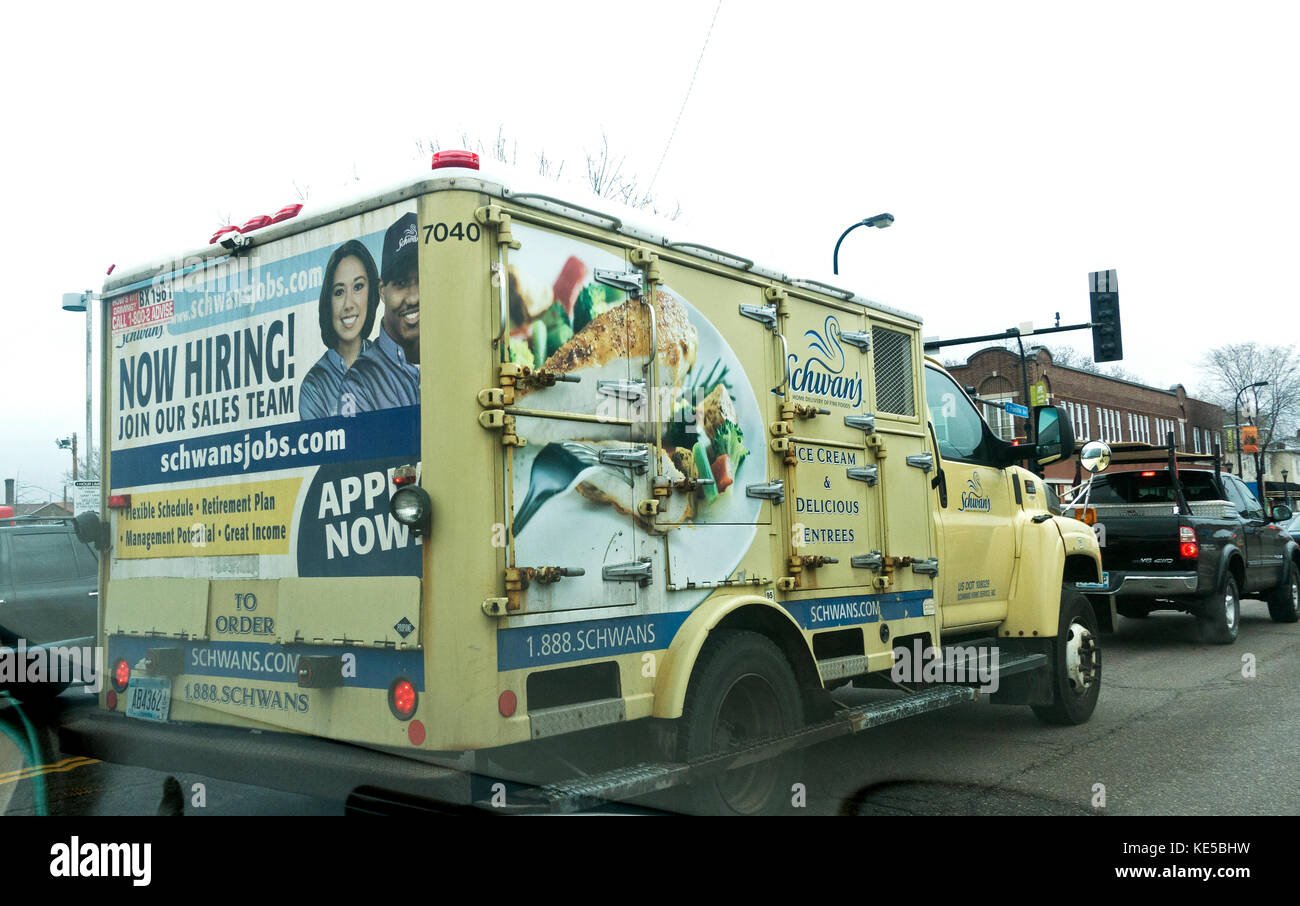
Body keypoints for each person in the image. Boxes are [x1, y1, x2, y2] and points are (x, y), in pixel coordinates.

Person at [341, 212, 420, 412]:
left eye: (422, 281)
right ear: (382, 290)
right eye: (401, 283)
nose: (413, 298)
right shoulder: (360, 381)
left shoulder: (453, 358)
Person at [299, 240, 379, 420]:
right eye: (339, 292)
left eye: (358, 287)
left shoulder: (389, 366)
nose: (348, 304)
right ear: (328, 302)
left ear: (371, 292)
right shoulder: (315, 385)